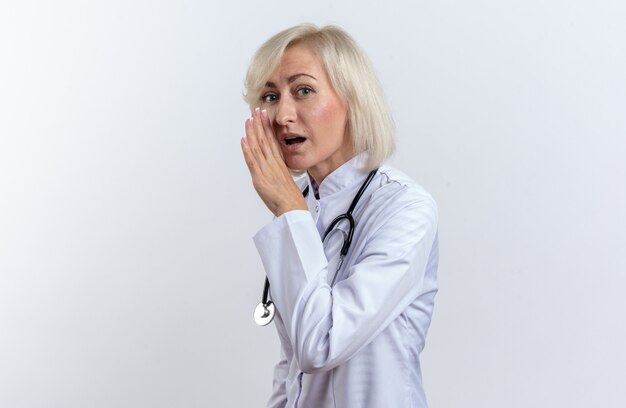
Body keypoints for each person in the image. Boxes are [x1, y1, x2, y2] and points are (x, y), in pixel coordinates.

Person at [240, 23, 439, 408]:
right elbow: (294, 364)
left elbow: (321, 344)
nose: (282, 115)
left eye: (303, 90)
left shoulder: (405, 208)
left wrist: (289, 214)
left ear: (354, 99)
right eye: (269, 96)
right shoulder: (302, 207)